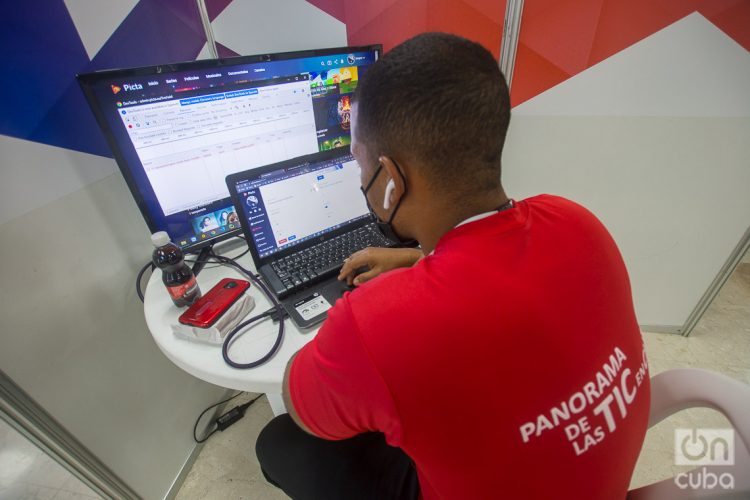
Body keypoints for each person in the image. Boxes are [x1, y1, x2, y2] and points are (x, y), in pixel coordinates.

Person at [255, 33, 650, 499]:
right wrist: (420, 259)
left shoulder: (378, 323)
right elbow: (496, 269)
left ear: (391, 181)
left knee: (279, 440)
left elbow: (301, 406)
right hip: (594, 481)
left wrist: (352, 336)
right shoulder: (576, 220)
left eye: (358, 164)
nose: (360, 179)